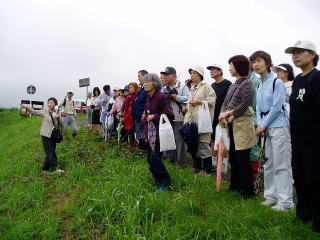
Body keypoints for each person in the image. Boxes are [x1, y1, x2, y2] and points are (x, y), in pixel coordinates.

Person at [250, 50, 293, 210]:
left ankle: (285, 202)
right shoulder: (260, 84)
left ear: (268, 63)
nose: (256, 64)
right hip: (265, 129)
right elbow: (259, 108)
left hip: (278, 126)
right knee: (268, 164)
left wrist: (263, 125)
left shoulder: (277, 83)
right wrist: (261, 126)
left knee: (281, 165)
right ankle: (270, 196)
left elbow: (276, 107)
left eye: (259, 61)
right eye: (253, 62)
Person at [285, 40, 320, 232]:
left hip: (314, 139)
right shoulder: (298, 80)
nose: (295, 56)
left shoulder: (317, 78)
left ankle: (317, 221)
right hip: (297, 138)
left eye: (300, 52)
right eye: (293, 53)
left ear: (312, 55)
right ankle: (303, 215)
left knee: (314, 179)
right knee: (299, 176)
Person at [219, 55, 256, 198]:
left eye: (231, 65)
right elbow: (225, 102)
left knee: (242, 159)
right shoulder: (233, 84)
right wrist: (222, 114)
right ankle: (235, 185)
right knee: (234, 157)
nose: (229, 68)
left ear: (238, 66)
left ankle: (247, 191)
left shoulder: (247, 83)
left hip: (242, 127)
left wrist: (226, 114)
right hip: (231, 125)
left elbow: (244, 105)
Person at [142, 73, 174, 191]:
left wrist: (154, 116)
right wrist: (144, 116)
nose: (145, 84)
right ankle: (157, 180)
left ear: (154, 83)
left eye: (148, 81)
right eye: (144, 81)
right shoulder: (147, 96)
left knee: (155, 159)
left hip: (159, 134)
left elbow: (170, 115)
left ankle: (166, 182)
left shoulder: (161, 97)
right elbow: (147, 113)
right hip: (150, 134)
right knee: (150, 159)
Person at [184, 66, 216, 176]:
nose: (192, 76)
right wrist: (187, 107)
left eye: (194, 73)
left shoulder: (206, 86)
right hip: (191, 120)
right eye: (191, 74)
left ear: (200, 75)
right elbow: (190, 102)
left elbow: (212, 102)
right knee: (193, 144)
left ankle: (207, 169)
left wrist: (199, 101)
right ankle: (197, 166)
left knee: (203, 143)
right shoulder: (192, 88)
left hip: (202, 120)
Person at [21, 98, 64, 172]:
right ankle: (54, 168)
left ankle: (44, 169)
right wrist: (27, 108)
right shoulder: (45, 111)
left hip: (53, 135)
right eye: (48, 102)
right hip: (45, 134)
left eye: (51, 102)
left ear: (55, 104)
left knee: (52, 151)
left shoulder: (58, 112)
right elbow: (34, 112)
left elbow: (62, 124)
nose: (49, 104)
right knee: (50, 152)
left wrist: (58, 115)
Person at [161, 67, 189, 167]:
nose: (165, 76)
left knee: (180, 141)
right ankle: (171, 161)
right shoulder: (164, 88)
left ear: (174, 76)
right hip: (167, 119)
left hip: (179, 118)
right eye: (165, 75)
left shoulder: (183, 87)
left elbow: (188, 98)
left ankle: (181, 162)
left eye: (167, 74)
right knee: (169, 140)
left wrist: (175, 97)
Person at [207, 63, 232, 173]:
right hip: (213, 116)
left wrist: (226, 115)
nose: (211, 71)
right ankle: (213, 163)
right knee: (213, 140)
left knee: (224, 140)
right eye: (210, 69)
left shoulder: (227, 84)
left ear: (220, 71)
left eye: (213, 69)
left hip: (224, 116)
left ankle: (224, 165)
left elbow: (230, 101)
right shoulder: (212, 86)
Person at [132, 70, 149, 150]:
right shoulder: (141, 89)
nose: (138, 78)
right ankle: (142, 151)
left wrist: (144, 113)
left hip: (143, 116)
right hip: (137, 116)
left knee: (144, 136)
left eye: (139, 76)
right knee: (139, 136)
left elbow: (148, 102)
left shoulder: (147, 88)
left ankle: (145, 152)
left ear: (145, 76)